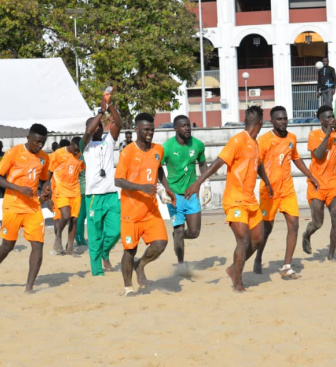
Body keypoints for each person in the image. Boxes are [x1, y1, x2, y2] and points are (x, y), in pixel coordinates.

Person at [185, 106, 273, 292]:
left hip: (251, 201)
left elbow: (259, 166)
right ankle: (238, 282)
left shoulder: (255, 144)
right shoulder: (238, 140)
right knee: (244, 240)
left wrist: (267, 181)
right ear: (261, 123)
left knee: (258, 239)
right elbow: (218, 162)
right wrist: (198, 182)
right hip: (235, 200)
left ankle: (234, 268)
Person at [253, 106, 319, 279]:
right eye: (279, 119)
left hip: (287, 190)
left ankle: (286, 266)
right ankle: (258, 257)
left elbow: (296, 159)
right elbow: (257, 165)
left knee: (294, 225)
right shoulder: (264, 140)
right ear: (272, 121)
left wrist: (311, 176)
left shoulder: (292, 138)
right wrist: (267, 183)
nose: (283, 122)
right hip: (269, 191)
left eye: (285, 118)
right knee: (266, 229)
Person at [115, 112, 175, 296]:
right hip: (130, 212)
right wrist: (141, 187)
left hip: (151, 210)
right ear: (137, 129)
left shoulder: (158, 150)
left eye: (152, 129)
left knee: (161, 243)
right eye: (146, 130)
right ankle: (128, 288)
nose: (150, 133)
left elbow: (159, 170)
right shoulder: (128, 152)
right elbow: (118, 180)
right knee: (129, 250)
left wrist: (166, 188)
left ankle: (140, 265)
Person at [0, 123, 51, 294]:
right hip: (13, 205)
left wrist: (45, 190)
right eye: (37, 142)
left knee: (38, 245)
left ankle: (29, 287)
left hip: (33, 207)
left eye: (42, 143)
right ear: (28, 138)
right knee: (8, 245)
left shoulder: (44, 158)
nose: (40, 145)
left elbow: (44, 179)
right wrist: (18, 188)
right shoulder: (14, 153)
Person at [302, 105, 336, 260]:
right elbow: (318, 155)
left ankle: (331, 255)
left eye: (333, 116)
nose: (332, 119)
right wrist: (328, 136)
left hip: (333, 184)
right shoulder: (313, 135)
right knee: (318, 224)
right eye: (328, 117)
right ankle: (306, 235)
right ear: (321, 120)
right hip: (316, 185)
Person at [80, 88, 123, 276]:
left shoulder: (108, 140)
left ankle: (105, 252)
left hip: (112, 193)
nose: (99, 128)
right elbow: (89, 130)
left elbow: (119, 124)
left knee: (116, 231)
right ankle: (97, 270)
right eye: (96, 126)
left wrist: (109, 104)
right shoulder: (85, 145)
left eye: (100, 126)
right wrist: (100, 111)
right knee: (95, 235)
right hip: (94, 197)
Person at [161, 114, 208, 265]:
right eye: (183, 125)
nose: (187, 128)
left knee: (194, 233)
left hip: (191, 194)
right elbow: (157, 168)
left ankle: (178, 236)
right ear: (175, 128)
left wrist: (206, 184)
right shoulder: (167, 147)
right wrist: (164, 189)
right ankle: (181, 263)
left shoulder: (198, 145)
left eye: (188, 125)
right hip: (174, 195)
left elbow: (202, 164)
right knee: (180, 230)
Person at [48, 136, 84, 256]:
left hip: (75, 191)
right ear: (71, 144)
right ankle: (58, 237)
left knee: (74, 220)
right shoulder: (58, 153)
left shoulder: (80, 156)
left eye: (79, 150)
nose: (77, 151)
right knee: (65, 216)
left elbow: (82, 169)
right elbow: (50, 171)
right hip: (61, 190)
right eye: (76, 149)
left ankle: (69, 249)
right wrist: (47, 190)